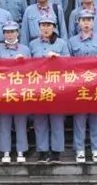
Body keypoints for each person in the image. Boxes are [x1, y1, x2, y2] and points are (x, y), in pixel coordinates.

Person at [67, 9, 97, 164]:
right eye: (83, 20)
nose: (86, 23)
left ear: (93, 22)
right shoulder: (72, 41)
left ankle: (96, 149)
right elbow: (67, 63)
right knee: (80, 118)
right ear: (78, 22)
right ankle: (80, 149)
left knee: (96, 117)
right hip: (79, 85)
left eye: (89, 20)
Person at [29, 15, 70, 163]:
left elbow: (69, 63)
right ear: (39, 27)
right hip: (39, 86)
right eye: (43, 25)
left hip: (56, 86)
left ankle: (56, 151)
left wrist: (58, 57)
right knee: (40, 121)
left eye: (49, 25)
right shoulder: (33, 44)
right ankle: (42, 150)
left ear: (54, 27)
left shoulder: (61, 43)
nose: (46, 28)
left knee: (56, 120)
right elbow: (28, 65)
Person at [0, 21, 31, 164]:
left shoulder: (25, 49)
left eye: (12, 32)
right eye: (7, 32)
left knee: (20, 122)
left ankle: (21, 150)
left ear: (17, 33)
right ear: (3, 34)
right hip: (3, 89)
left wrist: (22, 63)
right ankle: (6, 151)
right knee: (4, 122)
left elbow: (31, 70)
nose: (10, 35)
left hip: (20, 90)